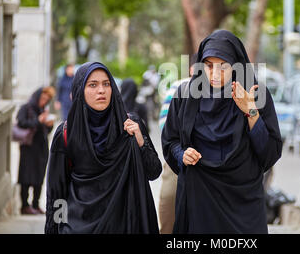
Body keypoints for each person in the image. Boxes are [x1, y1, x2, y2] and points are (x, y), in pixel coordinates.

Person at [162, 30, 283, 233]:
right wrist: (182, 155)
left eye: (223, 66)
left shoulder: (255, 94)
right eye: (209, 66)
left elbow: (270, 153)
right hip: (198, 198)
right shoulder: (185, 95)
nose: (215, 74)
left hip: (242, 202)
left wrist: (251, 112)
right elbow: (170, 141)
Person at [44, 62, 162, 234]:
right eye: (93, 85)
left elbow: (154, 172)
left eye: (106, 84)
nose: (101, 90)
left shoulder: (130, 126)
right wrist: (53, 230)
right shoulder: (66, 135)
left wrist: (140, 141)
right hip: (79, 226)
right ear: (79, 90)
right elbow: (57, 193)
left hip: (125, 224)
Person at [158, 52, 197, 234]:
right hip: (178, 156)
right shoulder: (178, 87)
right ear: (191, 69)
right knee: (169, 202)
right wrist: (181, 149)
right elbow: (164, 124)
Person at [17, 86, 56, 215]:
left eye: (47, 99)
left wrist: (49, 125)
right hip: (28, 147)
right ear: (37, 96)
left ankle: (35, 204)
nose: (44, 101)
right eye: (43, 98)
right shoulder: (26, 108)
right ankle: (24, 206)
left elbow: (45, 131)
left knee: (39, 177)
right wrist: (38, 121)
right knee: (26, 177)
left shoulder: (43, 110)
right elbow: (21, 123)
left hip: (41, 148)